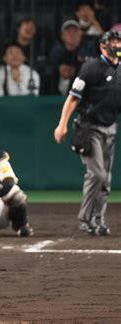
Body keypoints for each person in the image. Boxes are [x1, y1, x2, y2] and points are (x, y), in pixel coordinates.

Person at [53, 29, 121, 236]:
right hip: (89, 127)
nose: (117, 46)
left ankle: (97, 220)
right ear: (102, 45)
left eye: (118, 42)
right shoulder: (91, 67)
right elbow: (73, 97)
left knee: (106, 178)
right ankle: (85, 219)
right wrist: (62, 124)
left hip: (110, 127)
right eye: (112, 42)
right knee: (97, 174)